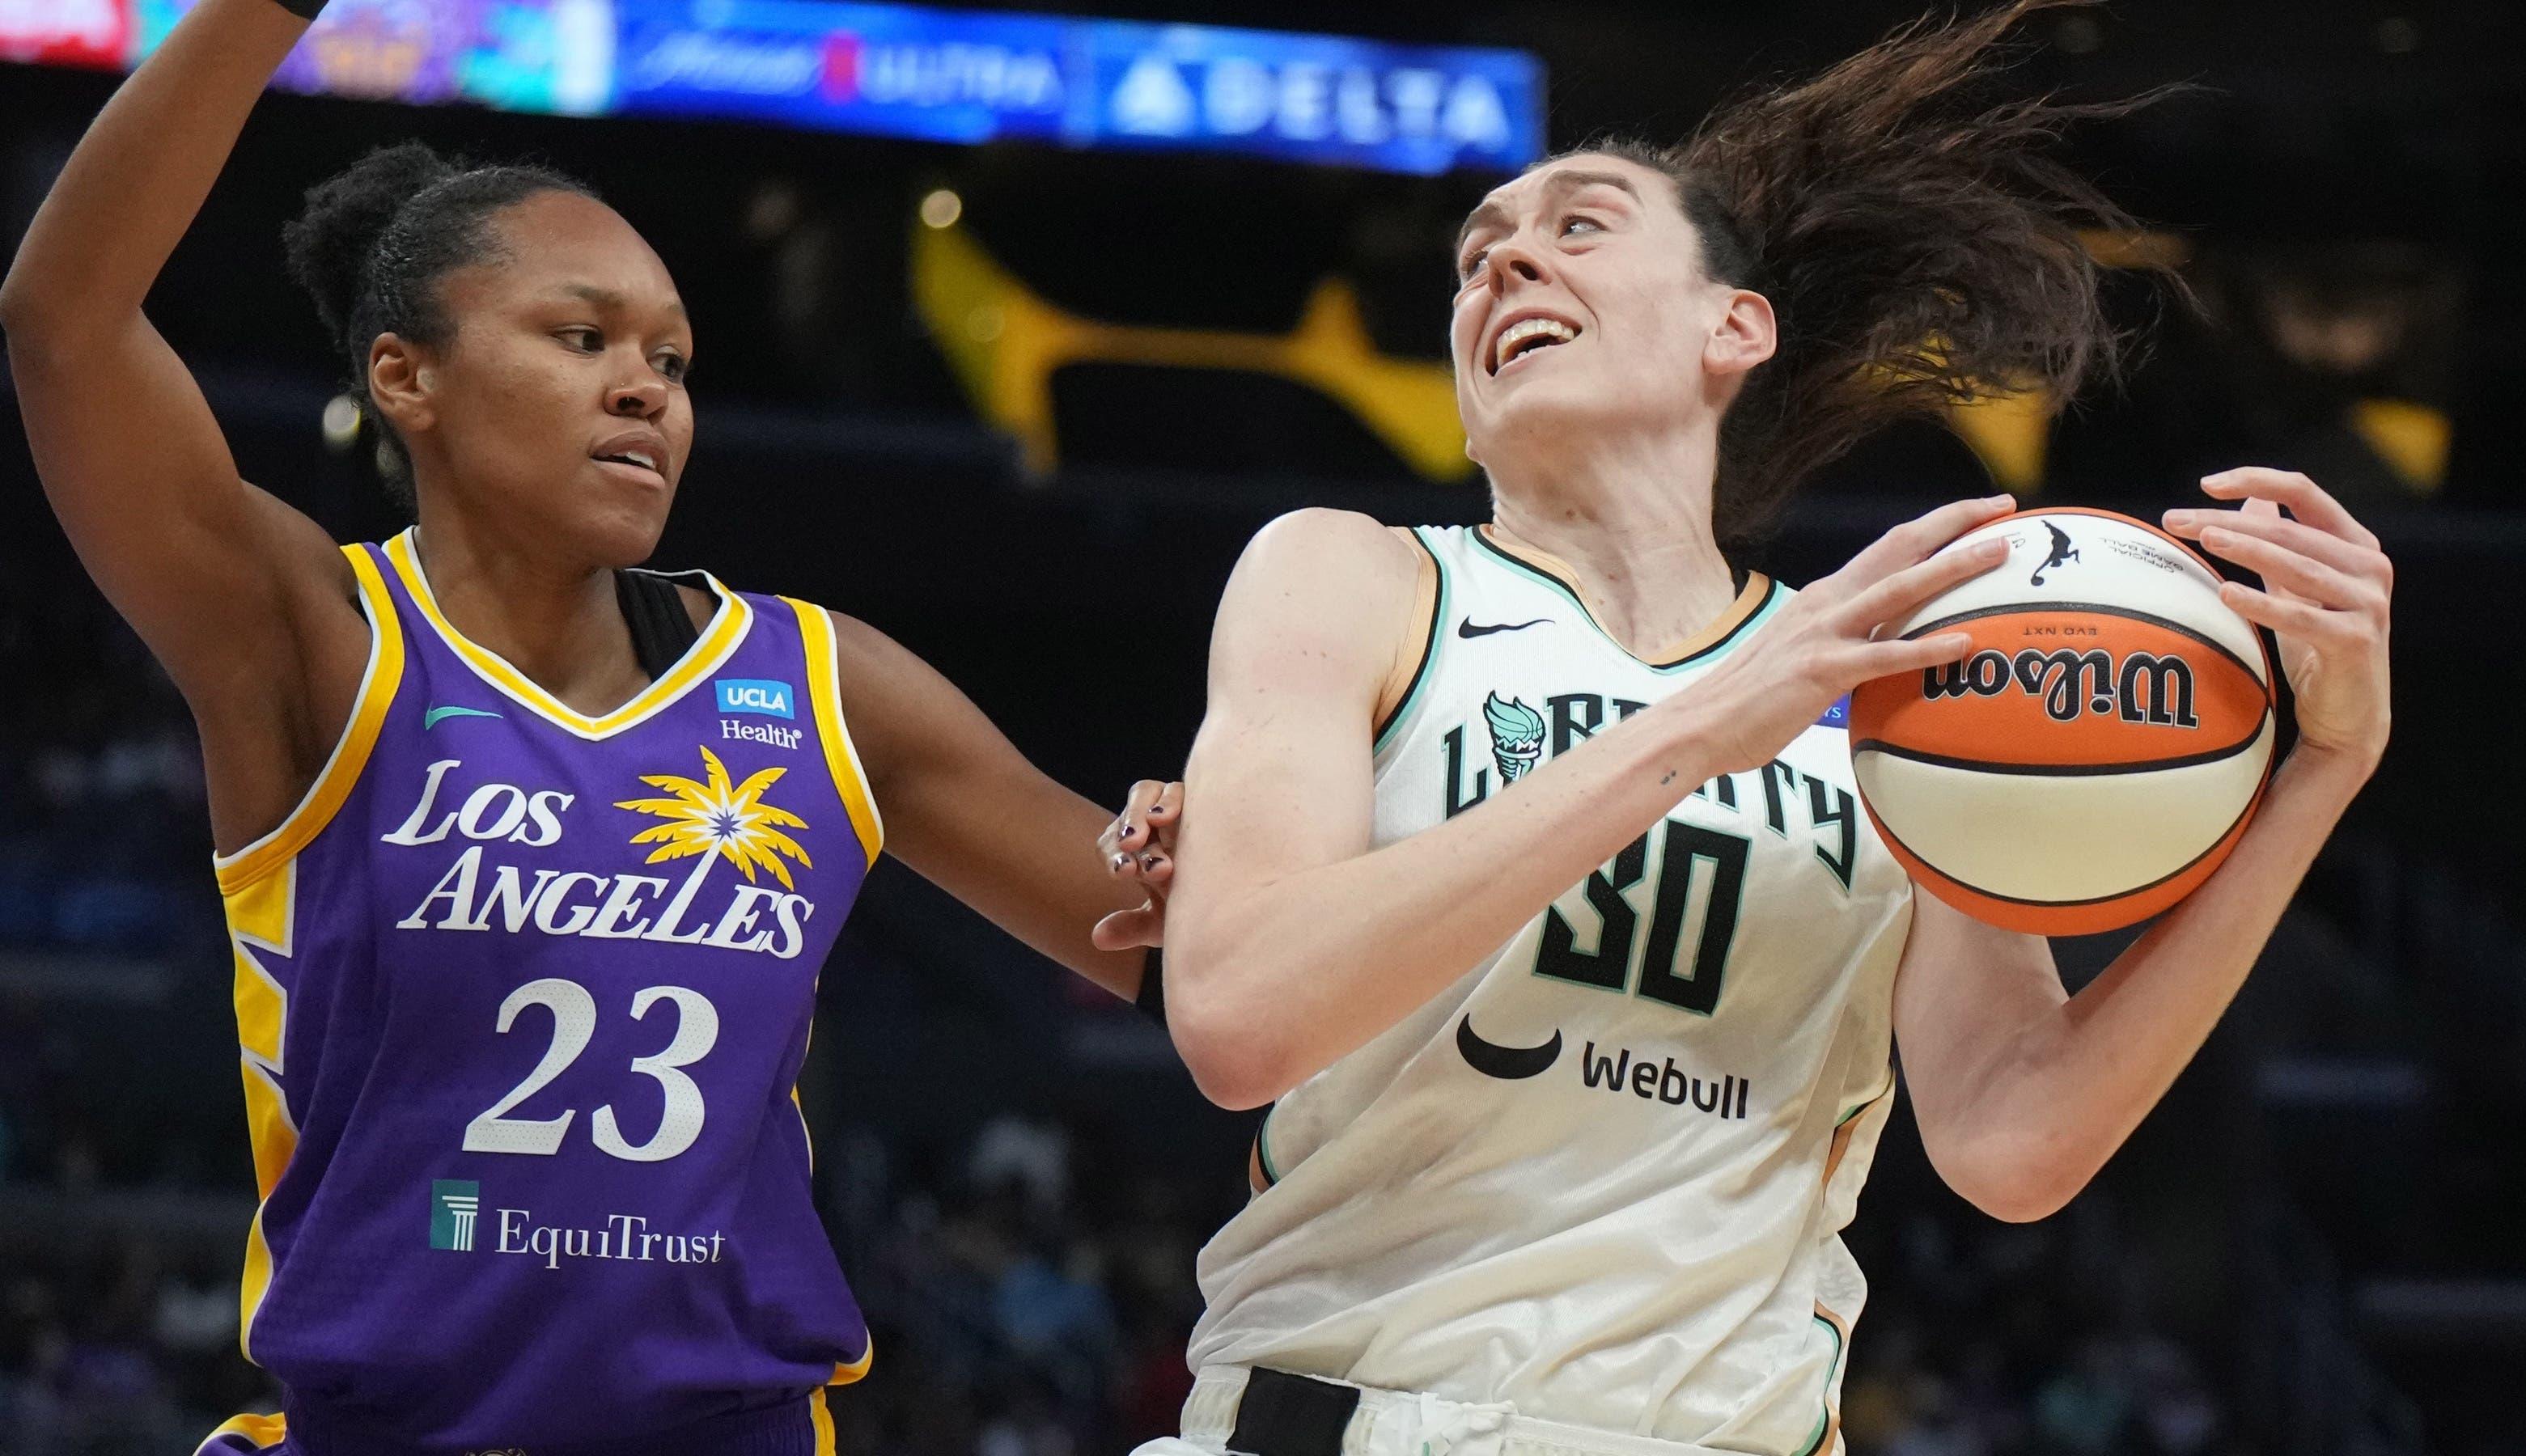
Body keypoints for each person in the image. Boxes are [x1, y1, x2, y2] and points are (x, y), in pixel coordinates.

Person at [1142, 3, 2395, 1453]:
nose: (1506, 262)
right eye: (1479, 251)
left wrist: (2316, 771)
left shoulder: (1893, 687)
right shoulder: (1351, 577)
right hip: (1365, 1414)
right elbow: (1239, 1021)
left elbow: (2013, 1144)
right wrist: (1694, 730)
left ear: (1733, 327)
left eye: (1580, 225)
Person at [0, 0, 1178, 1451]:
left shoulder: (820, 683)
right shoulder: (315, 637)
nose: (646, 386)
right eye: (582, 337)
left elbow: (1188, 957)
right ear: (403, 379)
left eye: (673, 361)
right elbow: (62, 324)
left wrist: (1222, 848)